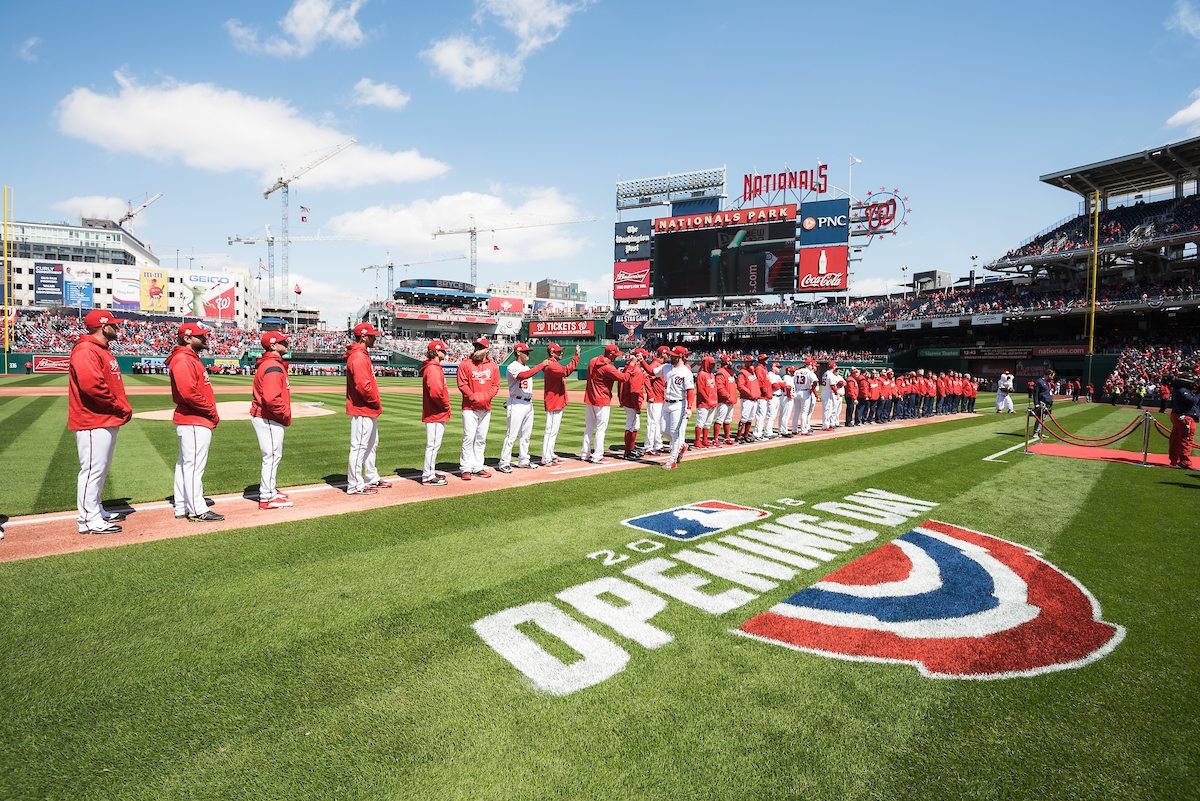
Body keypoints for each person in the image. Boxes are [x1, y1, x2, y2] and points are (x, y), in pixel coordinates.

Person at [68, 310, 132, 534]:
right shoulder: (86, 349)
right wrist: (118, 407)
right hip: (92, 419)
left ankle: (96, 509)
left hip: (104, 417)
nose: (117, 328)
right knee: (92, 470)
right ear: (104, 327)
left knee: (101, 468)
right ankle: (87, 520)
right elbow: (92, 386)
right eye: (113, 325)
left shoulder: (100, 349)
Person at [166, 321, 222, 522]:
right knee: (193, 466)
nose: (205, 338)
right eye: (201, 335)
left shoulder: (189, 357)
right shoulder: (183, 358)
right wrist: (210, 411)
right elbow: (188, 392)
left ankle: (182, 506)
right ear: (187, 338)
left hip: (192, 419)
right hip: (194, 419)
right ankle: (197, 509)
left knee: (186, 465)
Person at [251, 331, 294, 509]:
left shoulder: (272, 363)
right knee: (272, 456)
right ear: (273, 345)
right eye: (283, 341)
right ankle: (267, 497)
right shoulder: (273, 366)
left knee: (274, 456)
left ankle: (271, 490)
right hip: (268, 417)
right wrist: (284, 414)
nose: (287, 343)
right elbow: (271, 399)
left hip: (267, 416)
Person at [345, 322, 389, 495]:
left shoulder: (362, 355)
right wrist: (375, 402)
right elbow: (363, 386)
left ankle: (371, 477)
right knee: (359, 446)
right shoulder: (358, 357)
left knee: (371, 444)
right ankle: (354, 484)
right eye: (372, 335)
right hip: (362, 408)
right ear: (363, 336)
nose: (374, 338)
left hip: (368, 409)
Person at [581, 343, 638, 463]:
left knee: (589, 427)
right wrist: (631, 366)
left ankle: (585, 454)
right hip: (602, 399)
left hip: (590, 398)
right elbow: (624, 378)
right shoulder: (608, 367)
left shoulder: (593, 361)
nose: (616, 357)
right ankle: (598, 456)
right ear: (610, 354)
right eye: (615, 355)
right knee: (601, 428)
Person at [457, 337, 501, 480]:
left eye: (480, 347)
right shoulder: (465, 364)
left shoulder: (493, 366)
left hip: (486, 407)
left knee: (481, 439)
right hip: (469, 407)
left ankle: (478, 466)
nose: (477, 349)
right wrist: (474, 397)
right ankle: (465, 468)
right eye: (476, 346)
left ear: (487, 350)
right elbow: (462, 384)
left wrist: (487, 397)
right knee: (469, 437)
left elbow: (495, 385)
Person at [497, 342, 544, 473]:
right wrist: (541, 365)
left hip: (528, 403)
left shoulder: (526, 366)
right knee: (511, 435)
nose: (528, 354)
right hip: (516, 403)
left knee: (526, 435)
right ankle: (504, 462)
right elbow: (523, 376)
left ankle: (524, 460)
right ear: (518, 352)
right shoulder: (512, 366)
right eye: (525, 352)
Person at [539, 343, 580, 466]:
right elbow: (566, 371)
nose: (561, 353)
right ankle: (546, 458)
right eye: (558, 352)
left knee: (553, 431)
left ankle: (550, 453)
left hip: (557, 401)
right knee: (550, 430)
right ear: (552, 353)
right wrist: (576, 357)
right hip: (553, 401)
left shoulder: (552, 363)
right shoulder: (551, 365)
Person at [419, 339, 451, 486]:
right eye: (442, 350)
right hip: (435, 413)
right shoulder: (432, 368)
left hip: (435, 413)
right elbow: (435, 393)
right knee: (432, 445)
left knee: (433, 445)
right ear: (436, 352)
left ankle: (430, 472)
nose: (445, 352)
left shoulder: (433, 367)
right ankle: (428, 476)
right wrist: (445, 406)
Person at [659, 346, 696, 470]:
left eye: (673, 355)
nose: (671, 356)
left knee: (675, 432)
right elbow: (651, 371)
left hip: (679, 404)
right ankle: (681, 444)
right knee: (663, 430)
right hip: (666, 403)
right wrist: (641, 361)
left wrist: (689, 407)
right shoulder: (667, 367)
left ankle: (672, 459)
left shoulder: (686, 372)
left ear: (680, 356)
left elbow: (690, 391)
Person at [618, 348, 648, 459]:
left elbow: (620, 385)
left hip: (626, 400)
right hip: (632, 402)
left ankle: (631, 448)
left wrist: (621, 399)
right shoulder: (637, 370)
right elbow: (635, 390)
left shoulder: (628, 367)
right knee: (631, 426)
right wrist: (637, 406)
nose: (644, 357)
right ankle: (628, 452)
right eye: (643, 356)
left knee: (634, 426)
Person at [1168, 373, 1200, 470]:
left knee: (1176, 439)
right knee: (1186, 439)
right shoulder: (1182, 390)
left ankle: (1174, 460)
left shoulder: (1179, 389)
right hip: (1184, 417)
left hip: (1179, 415)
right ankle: (1184, 463)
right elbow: (1192, 401)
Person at [643, 345, 669, 454]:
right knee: (653, 423)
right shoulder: (655, 364)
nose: (669, 356)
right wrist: (650, 394)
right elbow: (646, 378)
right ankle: (648, 447)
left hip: (660, 398)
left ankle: (658, 444)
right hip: (655, 399)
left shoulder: (661, 365)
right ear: (663, 354)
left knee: (658, 423)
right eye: (667, 353)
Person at [694, 354, 718, 448]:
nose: (713, 365)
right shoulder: (701, 375)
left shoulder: (712, 374)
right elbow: (700, 390)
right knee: (700, 422)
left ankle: (705, 440)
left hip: (712, 402)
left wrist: (714, 400)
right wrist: (707, 400)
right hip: (703, 403)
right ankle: (697, 441)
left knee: (708, 423)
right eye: (711, 363)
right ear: (706, 364)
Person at [735, 356, 761, 442]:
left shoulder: (752, 373)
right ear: (746, 363)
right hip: (747, 399)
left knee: (750, 418)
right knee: (744, 418)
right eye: (750, 362)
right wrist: (751, 393)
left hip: (754, 399)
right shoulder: (742, 373)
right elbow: (740, 386)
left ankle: (746, 435)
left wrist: (756, 394)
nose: (752, 364)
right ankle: (738, 436)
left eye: (753, 362)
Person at [714, 355, 738, 444]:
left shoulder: (729, 372)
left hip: (730, 400)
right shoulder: (721, 372)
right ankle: (715, 439)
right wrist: (727, 396)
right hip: (724, 401)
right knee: (720, 419)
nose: (732, 363)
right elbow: (720, 387)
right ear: (726, 362)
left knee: (728, 420)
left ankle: (727, 437)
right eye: (730, 361)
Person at [792, 359, 818, 435]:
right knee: (804, 412)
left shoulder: (796, 372)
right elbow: (815, 381)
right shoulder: (809, 372)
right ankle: (804, 430)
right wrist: (812, 389)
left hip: (797, 391)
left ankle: (794, 429)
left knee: (796, 411)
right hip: (805, 392)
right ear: (809, 365)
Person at [1032, 368, 1055, 439]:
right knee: (1040, 418)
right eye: (1052, 376)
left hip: (1048, 403)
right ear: (1048, 375)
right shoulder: (1039, 382)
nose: (1052, 378)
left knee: (1043, 419)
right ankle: (1036, 432)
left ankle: (1041, 432)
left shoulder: (1047, 383)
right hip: (1042, 402)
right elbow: (1035, 393)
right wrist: (1036, 403)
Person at [821, 362, 845, 430]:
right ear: (833, 367)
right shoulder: (830, 375)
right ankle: (826, 426)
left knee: (827, 409)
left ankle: (827, 424)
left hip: (825, 391)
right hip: (828, 392)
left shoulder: (825, 373)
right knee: (827, 409)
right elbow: (832, 386)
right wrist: (836, 393)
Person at [753, 354, 771, 440]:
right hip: (761, 396)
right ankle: (757, 434)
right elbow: (760, 383)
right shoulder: (759, 369)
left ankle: (759, 433)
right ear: (761, 360)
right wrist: (765, 392)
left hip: (764, 396)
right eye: (765, 359)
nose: (767, 360)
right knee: (760, 415)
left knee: (762, 415)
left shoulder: (763, 368)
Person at [765, 362, 784, 438]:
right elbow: (775, 386)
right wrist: (780, 384)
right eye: (778, 367)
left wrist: (779, 384)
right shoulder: (770, 374)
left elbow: (784, 385)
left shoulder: (778, 376)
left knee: (773, 416)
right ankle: (767, 432)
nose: (779, 369)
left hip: (777, 397)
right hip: (772, 397)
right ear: (773, 367)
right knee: (770, 415)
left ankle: (769, 431)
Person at [779, 365, 797, 437]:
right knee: (786, 415)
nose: (793, 372)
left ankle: (781, 430)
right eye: (792, 371)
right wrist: (790, 396)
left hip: (784, 397)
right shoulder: (788, 378)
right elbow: (788, 388)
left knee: (782, 415)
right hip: (787, 397)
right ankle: (784, 431)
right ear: (788, 371)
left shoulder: (784, 377)